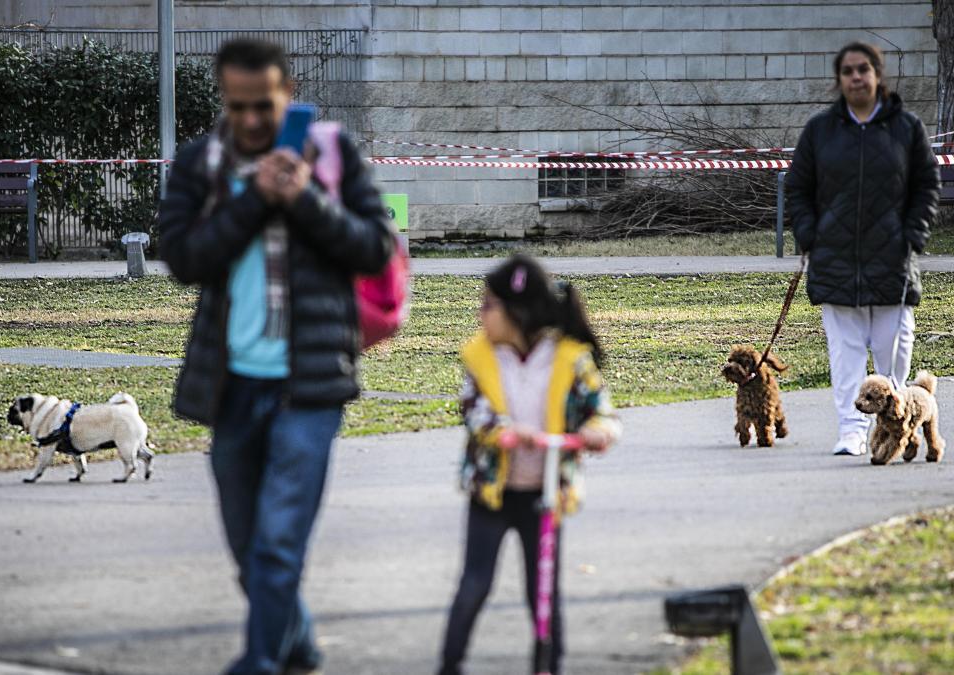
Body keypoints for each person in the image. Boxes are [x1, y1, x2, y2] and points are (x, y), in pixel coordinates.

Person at [158, 38, 392, 674]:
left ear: (288, 93)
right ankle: (301, 643)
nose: (254, 120)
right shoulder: (202, 163)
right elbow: (182, 258)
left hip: (310, 388)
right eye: (239, 107)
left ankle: (261, 661)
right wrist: (254, 198)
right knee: (247, 547)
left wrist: (304, 198)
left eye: (265, 104)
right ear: (224, 102)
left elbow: (374, 248)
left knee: (278, 542)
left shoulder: (335, 154)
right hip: (232, 388)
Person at [438, 254, 621, 675]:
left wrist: (599, 431)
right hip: (492, 493)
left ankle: (548, 666)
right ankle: (449, 666)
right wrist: (503, 430)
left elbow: (603, 410)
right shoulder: (482, 357)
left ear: (516, 312)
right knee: (473, 586)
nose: (480, 314)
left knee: (542, 594)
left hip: (544, 495)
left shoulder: (569, 359)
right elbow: (473, 408)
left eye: (488, 305)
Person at [785, 42, 940, 457]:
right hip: (835, 262)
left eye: (864, 69)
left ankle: (894, 426)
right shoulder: (820, 131)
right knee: (846, 356)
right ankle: (852, 431)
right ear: (839, 79)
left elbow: (926, 186)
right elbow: (798, 188)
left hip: (892, 260)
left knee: (895, 351)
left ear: (877, 76)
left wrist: (913, 234)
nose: (856, 77)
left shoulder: (906, 128)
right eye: (848, 70)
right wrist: (809, 233)